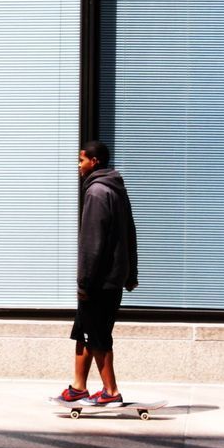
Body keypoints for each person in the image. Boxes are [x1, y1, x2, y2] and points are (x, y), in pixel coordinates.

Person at [56, 140, 138, 406]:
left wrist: (84, 282)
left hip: (99, 281)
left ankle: (111, 392)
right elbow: (130, 234)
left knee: (98, 335)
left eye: (80, 161)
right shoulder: (116, 189)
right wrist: (131, 272)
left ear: (94, 162)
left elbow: (93, 243)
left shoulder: (97, 193)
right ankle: (79, 387)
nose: (78, 166)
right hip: (112, 277)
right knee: (83, 331)